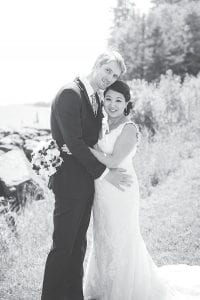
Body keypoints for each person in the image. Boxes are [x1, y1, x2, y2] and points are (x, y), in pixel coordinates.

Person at [83, 80, 200, 300]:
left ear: (127, 103)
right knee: (103, 235)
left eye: (118, 100)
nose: (112, 104)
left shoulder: (129, 128)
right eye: (108, 99)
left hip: (121, 191)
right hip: (102, 190)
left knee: (122, 236)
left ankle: (125, 287)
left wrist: (84, 148)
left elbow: (114, 159)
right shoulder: (102, 124)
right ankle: (103, 286)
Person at [41, 50, 132, 300]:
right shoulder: (71, 93)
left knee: (77, 246)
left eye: (114, 75)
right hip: (70, 184)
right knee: (63, 247)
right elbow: (75, 143)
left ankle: (72, 295)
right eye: (107, 70)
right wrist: (105, 173)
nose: (109, 78)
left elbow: (86, 141)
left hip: (84, 183)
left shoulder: (94, 97)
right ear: (96, 65)